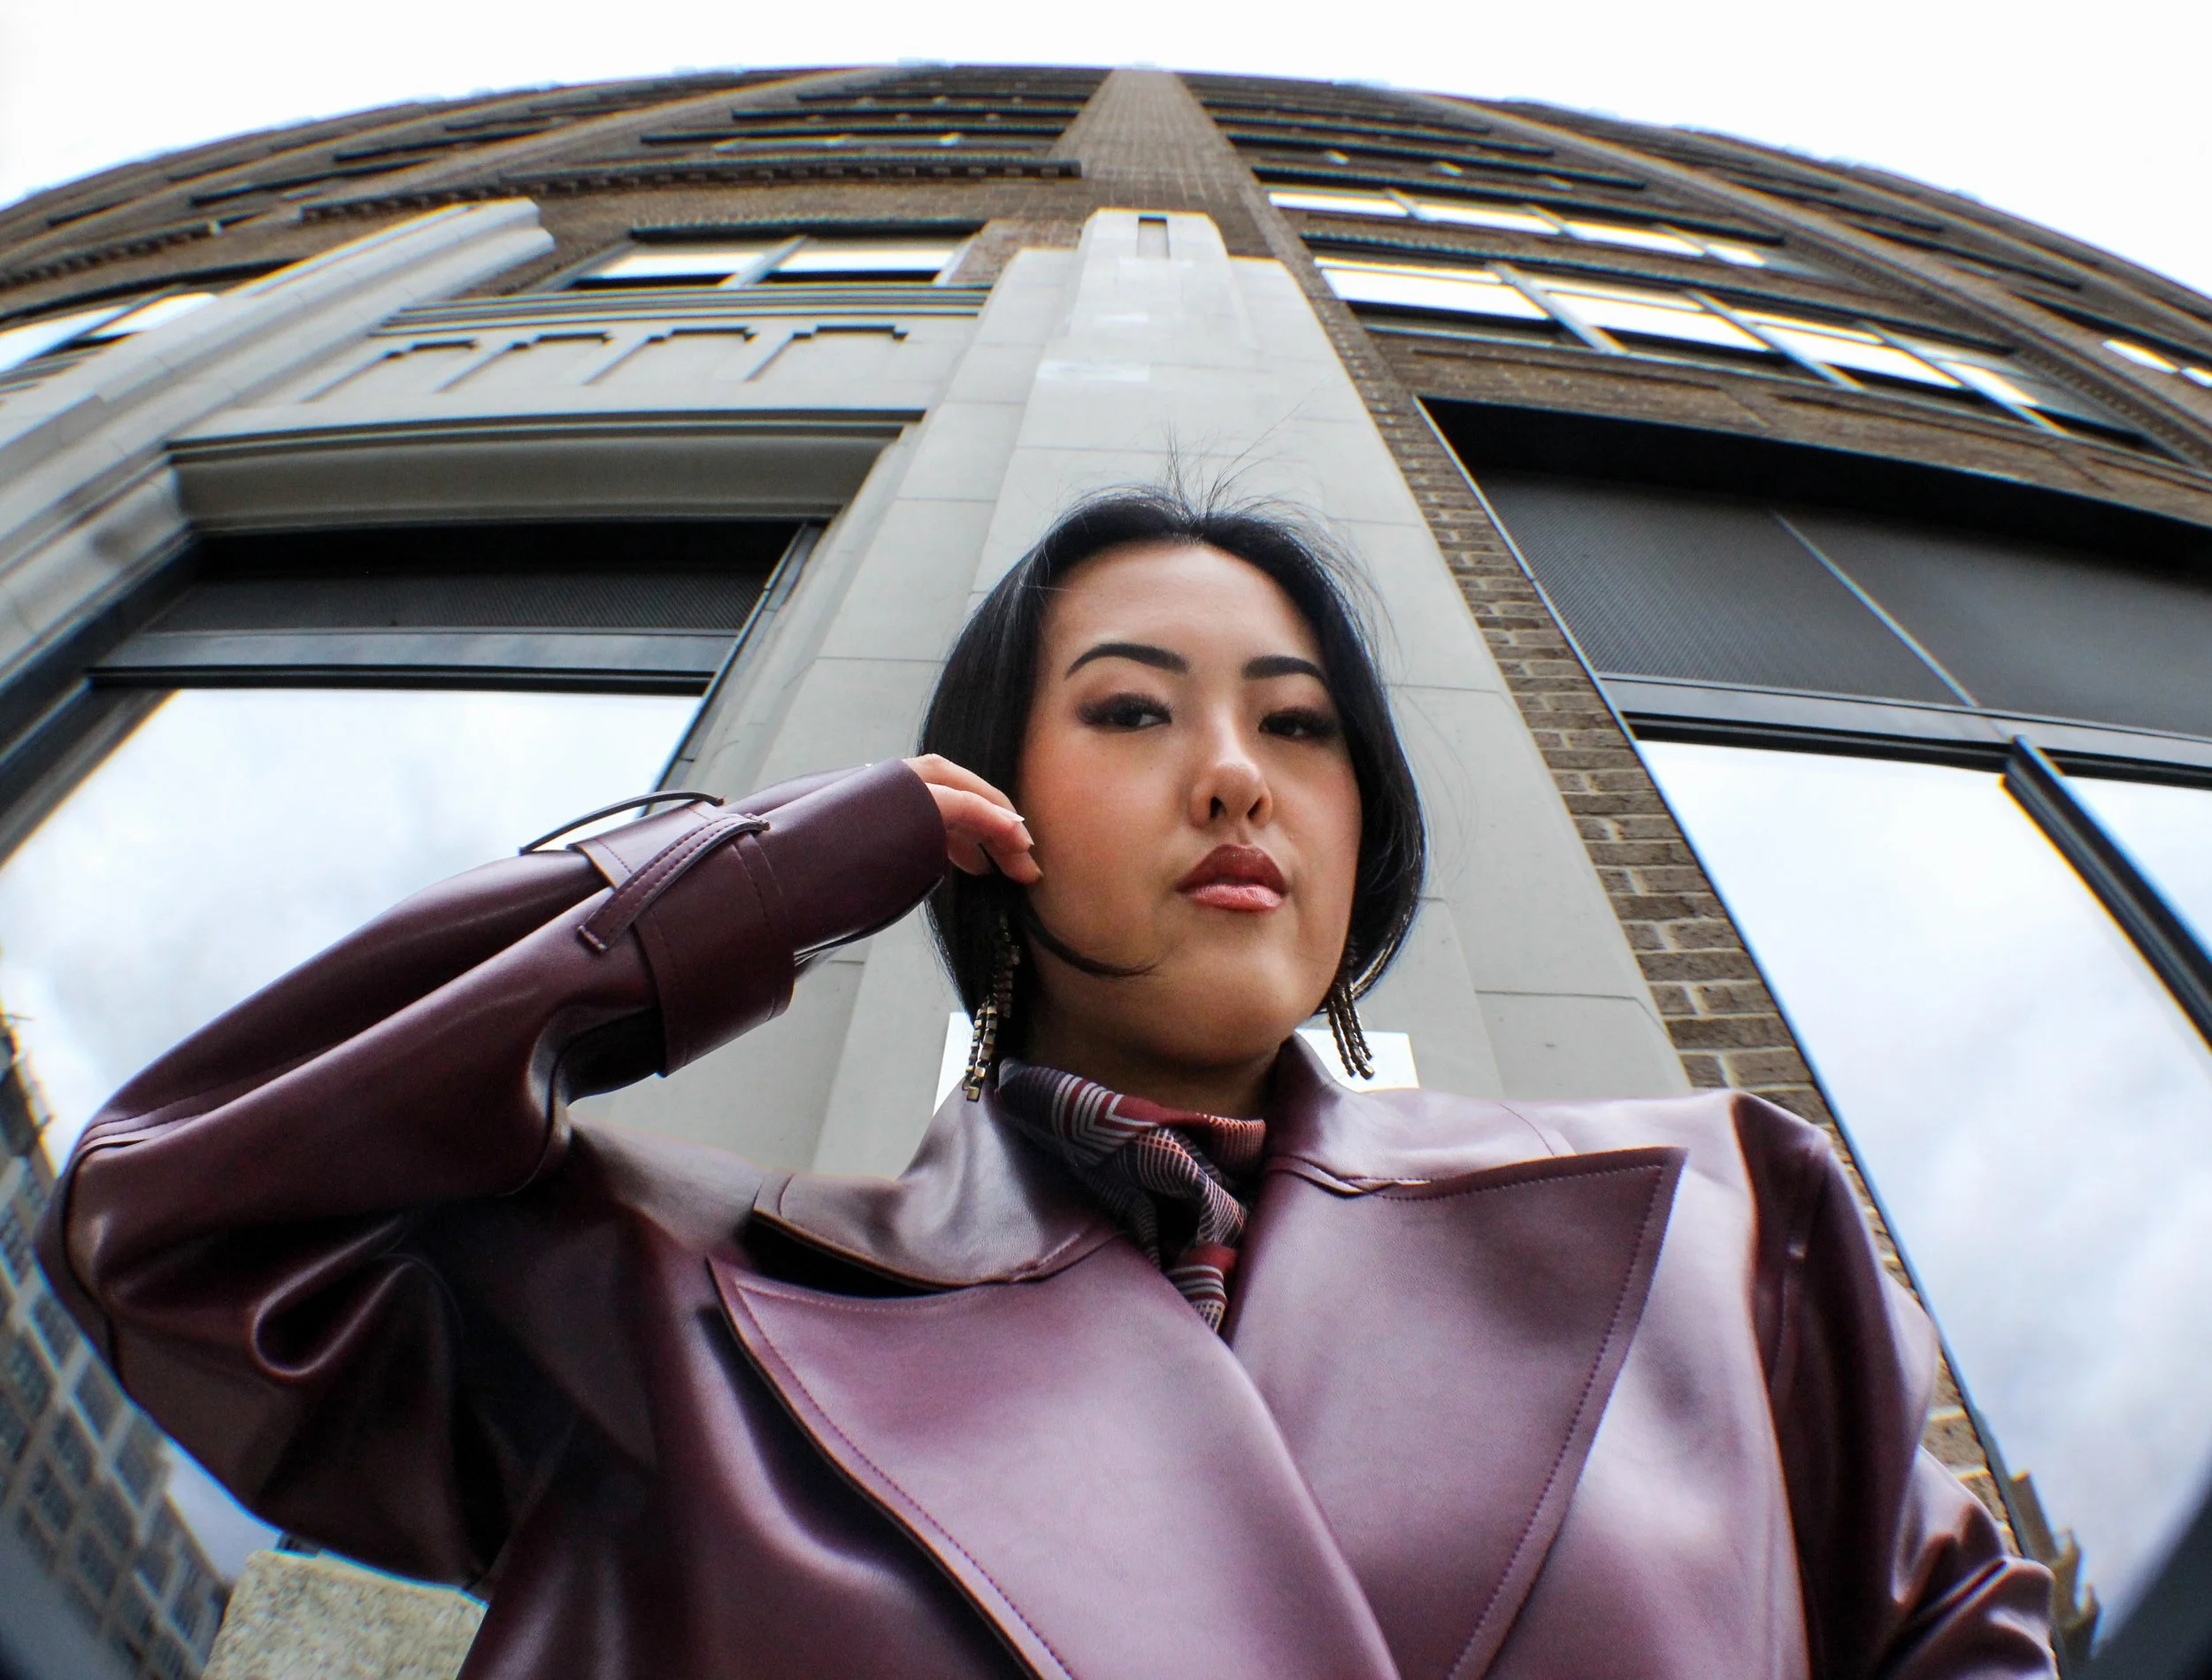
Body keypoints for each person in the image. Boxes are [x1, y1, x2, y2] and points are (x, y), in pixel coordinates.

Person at [36, 488, 2056, 1679]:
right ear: (985, 805)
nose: (1236, 770)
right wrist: (771, 869)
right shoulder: (679, 1298)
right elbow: (186, 1202)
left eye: (1301, 724)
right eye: (1126, 708)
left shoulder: (1716, 1209)